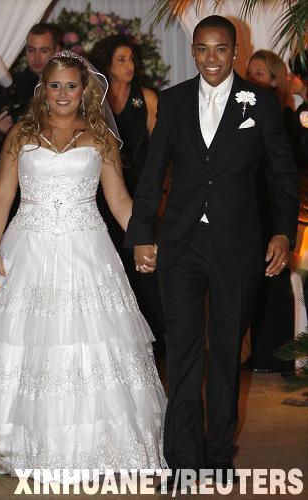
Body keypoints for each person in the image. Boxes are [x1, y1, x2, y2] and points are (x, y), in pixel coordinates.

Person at [0, 50, 166, 479]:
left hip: (86, 251)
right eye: (55, 85)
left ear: (83, 89)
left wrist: (145, 239)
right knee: (19, 344)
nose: (63, 93)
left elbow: (120, 200)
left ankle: (91, 448)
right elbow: (1, 196)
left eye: (71, 85)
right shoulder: (21, 133)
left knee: (89, 345)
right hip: (25, 249)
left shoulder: (101, 136)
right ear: (43, 89)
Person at [125, 15, 298, 485]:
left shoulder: (259, 101)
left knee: (224, 351)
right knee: (182, 350)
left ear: (235, 51)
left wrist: (283, 232)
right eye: (202, 49)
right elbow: (153, 171)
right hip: (181, 243)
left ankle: (219, 451)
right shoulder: (176, 101)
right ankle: (183, 456)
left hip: (237, 244)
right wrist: (143, 231)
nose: (211, 58)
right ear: (194, 52)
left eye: (220, 49)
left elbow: (282, 177)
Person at [89, 35, 166, 360]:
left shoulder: (146, 98)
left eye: (132, 59)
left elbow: (163, 151)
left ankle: (156, 343)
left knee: (146, 269)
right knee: (111, 267)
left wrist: (162, 194)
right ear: (107, 64)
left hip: (142, 194)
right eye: (121, 60)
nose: (129, 66)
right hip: (102, 196)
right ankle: (117, 344)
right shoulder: (94, 98)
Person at [246, 50, 303, 372]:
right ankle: (255, 353)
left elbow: (287, 171)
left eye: (261, 73)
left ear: (275, 79)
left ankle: (275, 356)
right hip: (251, 205)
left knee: (275, 277)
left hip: (274, 207)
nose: (254, 78)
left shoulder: (284, 114)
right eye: (250, 72)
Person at [0, 23, 61, 223]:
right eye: (31, 50)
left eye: (44, 50)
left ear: (57, 50)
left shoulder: (67, 88)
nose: (36, 57)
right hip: (10, 192)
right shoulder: (9, 84)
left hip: (52, 189)